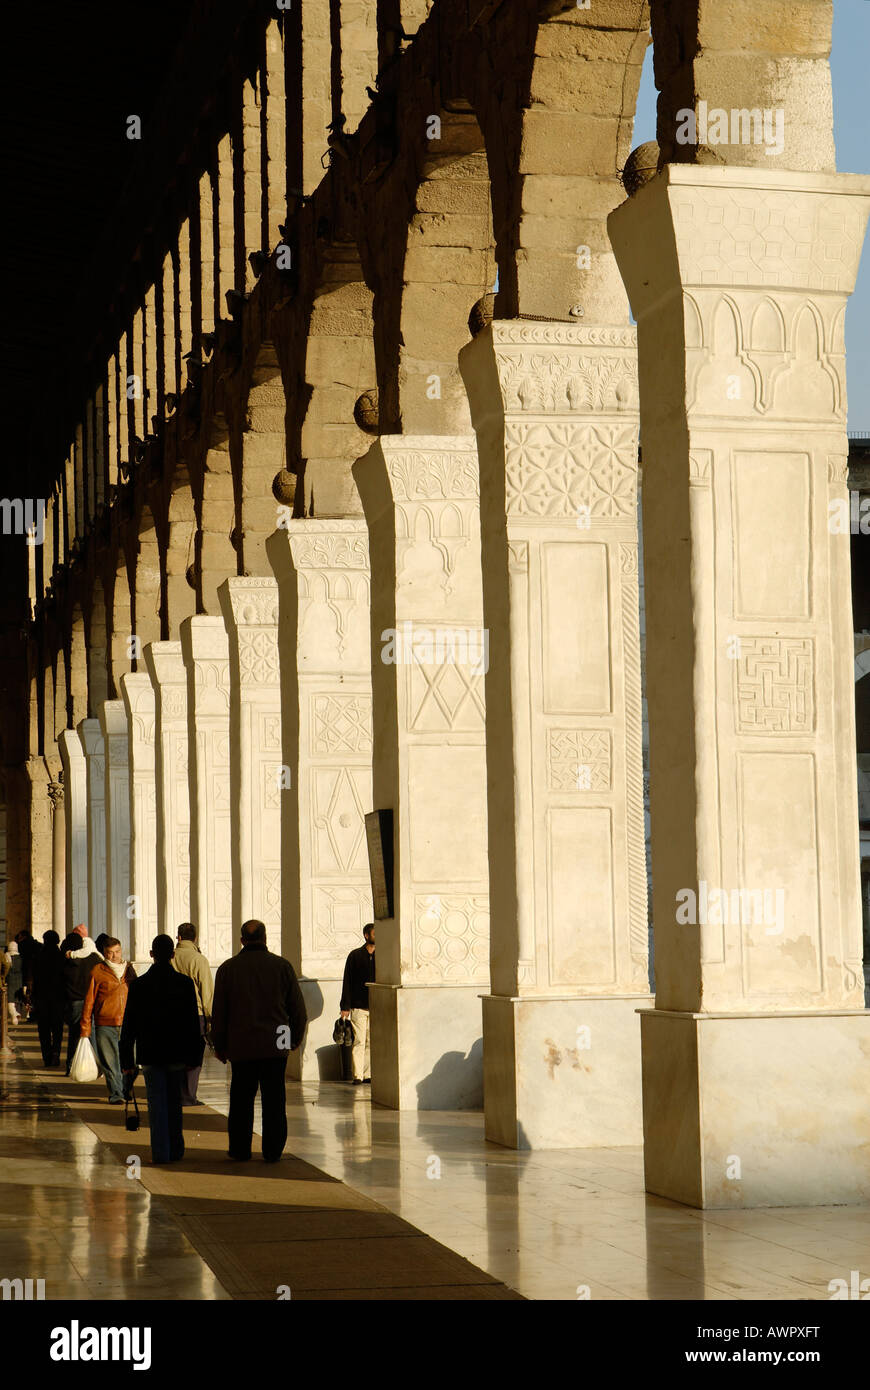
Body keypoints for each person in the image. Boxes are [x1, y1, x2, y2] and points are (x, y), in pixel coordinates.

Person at [211, 920, 307, 1163]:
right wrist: (293, 1040)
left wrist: (220, 1046)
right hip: (276, 1046)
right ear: (265, 939)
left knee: (241, 1101)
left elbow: (220, 1013)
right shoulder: (282, 967)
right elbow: (297, 1010)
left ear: (242, 940)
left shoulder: (228, 969)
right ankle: (272, 1151)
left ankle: (241, 1150)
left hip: (241, 1048)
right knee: (274, 1100)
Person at [120, 936, 203, 1165]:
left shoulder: (138, 986)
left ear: (151, 954)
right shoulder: (185, 984)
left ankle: (161, 1153)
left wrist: (126, 1061)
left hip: (151, 1054)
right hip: (176, 1054)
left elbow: (129, 1026)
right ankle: (176, 1149)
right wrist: (194, 1056)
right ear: (173, 955)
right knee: (174, 1104)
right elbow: (192, 1025)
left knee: (156, 1104)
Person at [80, 938, 136, 1103]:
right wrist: (85, 1027)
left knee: (130, 1062)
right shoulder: (98, 971)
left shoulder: (130, 970)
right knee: (110, 1062)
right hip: (105, 1023)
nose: (114, 956)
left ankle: (126, 1090)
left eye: (117, 952)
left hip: (128, 1024)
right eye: (110, 953)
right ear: (104, 953)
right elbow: (89, 1001)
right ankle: (116, 1094)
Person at [170, 923, 214, 1106]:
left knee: (174, 1055)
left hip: (171, 1014)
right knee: (194, 1058)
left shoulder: (169, 957)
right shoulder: (199, 959)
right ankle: (188, 1096)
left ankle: (174, 1093)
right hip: (195, 1015)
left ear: (178, 937)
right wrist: (210, 1018)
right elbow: (207, 992)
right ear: (195, 938)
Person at [61, 930, 102, 1075]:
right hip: (92, 1001)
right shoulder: (94, 960)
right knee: (92, 1034)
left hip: (74, 1003)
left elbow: (62, 984)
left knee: (74, 1035)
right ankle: (96, 1066)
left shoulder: (67, 961)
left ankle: (71, 1066)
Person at [340, 923, 376, 1084]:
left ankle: (368, 1074)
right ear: (366, 935)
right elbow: (347, 981)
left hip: (376, 1006)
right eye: (374, 934)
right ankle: (357, 1075)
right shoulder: (355, 956)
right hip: (358, 1006)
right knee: (359, 1040)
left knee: (371, 1041)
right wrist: (345, 1007)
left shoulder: (382, 955)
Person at [31, 930, 66, 1066]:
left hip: (42, 998)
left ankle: (46, 1056)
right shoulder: (62, 957)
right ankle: (56, 1052)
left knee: (44, 1029)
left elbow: (34, 978)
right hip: (58, 998)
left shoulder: (38, 956)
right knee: (57, 1029)